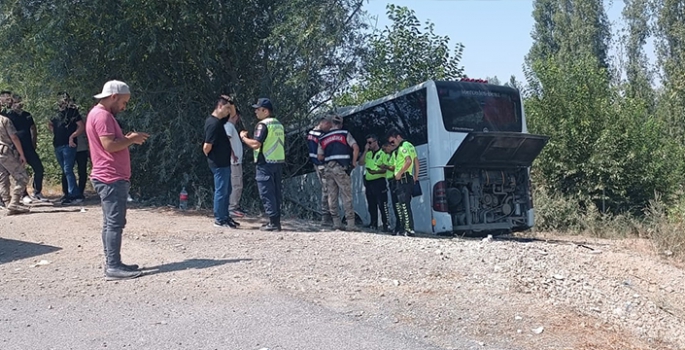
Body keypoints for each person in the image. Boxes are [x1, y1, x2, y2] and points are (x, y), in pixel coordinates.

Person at [87, 80, 148, 281]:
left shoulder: (99, 114)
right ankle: (113, 266)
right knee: (114, 223)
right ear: (113, 97)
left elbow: (111, 143)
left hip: (108, 176)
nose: (124, 107)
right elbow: (109, 146)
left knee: (110, 223)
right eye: (123, 102)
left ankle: (114, 262)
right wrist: (132, 139)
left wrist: (127, 138)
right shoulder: (103, 116)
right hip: (110, 177)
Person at [240, 98, 285, 231]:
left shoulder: (263, 125)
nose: (255, 112)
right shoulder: (278, 124)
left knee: (266, 193)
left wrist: (243, 138)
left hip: (265, 163)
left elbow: (256, 144)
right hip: (277, 162)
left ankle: (273, 223)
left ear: (265, 111)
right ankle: (276, 221)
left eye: (258, 109)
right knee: (275, 193)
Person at [317, 114, 359, 231]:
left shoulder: (323, 138)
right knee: (346, 195)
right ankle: (350, 224)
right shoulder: (345, 134)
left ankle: (336, 223)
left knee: (332, 196)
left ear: (331, 124)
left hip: (328, 169)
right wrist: (353, 162)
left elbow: (320, 156)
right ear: (340, 124)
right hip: (341, 168)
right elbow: (355, 147)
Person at [203, 95, 239, 229]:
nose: (228, 111)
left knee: (227, 189)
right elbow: (207, 146)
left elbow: (234, 116)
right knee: (221, 190)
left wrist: (231, 103)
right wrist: (211, 157)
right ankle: (219, 219)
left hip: (225, 162)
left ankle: (225, 216)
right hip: (218, 163)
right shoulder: (213, 123)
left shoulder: (220, 121)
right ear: (219, 106)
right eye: (227, 109)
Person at [5, 95, 47, 203]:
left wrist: (34, 142)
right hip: (15, 148)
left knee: (39, 168)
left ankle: (37, 192)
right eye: (16, 102)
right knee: (21, 172)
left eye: (20, 102)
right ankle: (23, 195)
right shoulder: (8, 115)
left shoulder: (27, 115)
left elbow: (33, 128)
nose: (19, 104)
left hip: (29, 148)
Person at [50, 93, 85, 204]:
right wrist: (55, 133)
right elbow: (50, 124)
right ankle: (69, 194)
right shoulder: (54, 113)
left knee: (68, 169)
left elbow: (81, 126)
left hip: (69, 145)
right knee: (65, 171)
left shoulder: (72, 112)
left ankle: (74, 195)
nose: (62, 101)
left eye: (65, 99)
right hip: (58, 144)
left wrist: (72, 136)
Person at [0, 97, 30, 215]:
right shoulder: (4, 120)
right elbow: (14, 137)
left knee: (2, 178)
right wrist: (22, 154)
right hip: (5, 151)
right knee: (22, 177)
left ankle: (7, 203)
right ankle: (14, 203)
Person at [387, 128, 419, 236]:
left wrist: (400, 173)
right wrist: (416, 176)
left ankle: (408, 228)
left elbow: (409, 161)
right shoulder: (410, 146)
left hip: (403, 178)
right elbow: (416, 161)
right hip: (407, 178)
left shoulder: (403, 147)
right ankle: (402, 228)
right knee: (401, 204)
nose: (392, 144)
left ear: (398, 137)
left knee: (404, 205)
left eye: (393, 141)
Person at [359, 134, 389, 232]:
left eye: (370, 142)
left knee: (382, 204)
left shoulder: (383, 153)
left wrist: (375, 172)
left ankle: (386, 224)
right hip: (369, 182)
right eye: (367, 143)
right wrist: (365, 150)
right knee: (371, 204)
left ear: (376, 142)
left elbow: (386, 169)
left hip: (379, 181)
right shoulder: (368, 153)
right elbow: (361, 162)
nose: (369, 145)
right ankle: (373, 223)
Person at [307, 115, 333, 226]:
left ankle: (326, 216)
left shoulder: (310, 134)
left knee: (326, 190)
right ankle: (326, 217)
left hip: (316, 165)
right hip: (323, 165)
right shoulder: (321, 136)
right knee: (327, 191)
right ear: (323, 122)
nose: (329, 128)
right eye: (328, 125)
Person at [223, 105, 246, 218]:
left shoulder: (231, 127)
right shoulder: (229, 126)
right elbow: (226, 141)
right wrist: (233, 155)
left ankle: (234, 206)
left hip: (235, 160)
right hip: (234, 161)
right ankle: (232, 207)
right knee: (237, 184)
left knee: (237, 184)